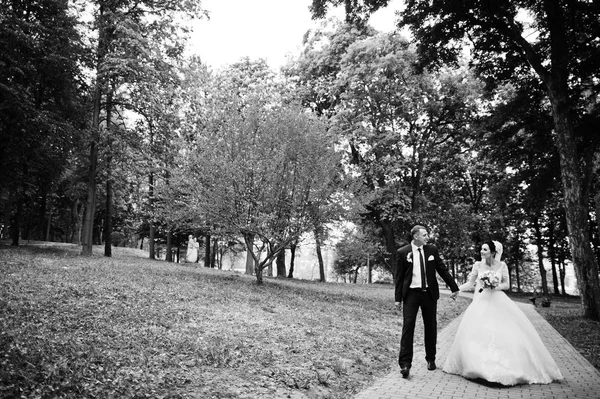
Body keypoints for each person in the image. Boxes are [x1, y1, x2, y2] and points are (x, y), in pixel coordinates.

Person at [442, 240, 563, 386]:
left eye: (485, 249)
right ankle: (477, 367)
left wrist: (494, 286)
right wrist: (457, 290)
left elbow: (506, 284)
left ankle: (501, 368)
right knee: (478, 333)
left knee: (501, 332)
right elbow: (470, 283)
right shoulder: (477, 265)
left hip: (497, 300)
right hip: (481, 302)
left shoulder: (502, 265)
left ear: (493, 252)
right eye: (481, 249)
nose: (481, 251)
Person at [395, 225, 460, 378]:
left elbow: (442, 269)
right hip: (411, 294)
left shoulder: (432, 250)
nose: (427, 237)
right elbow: (398, 278)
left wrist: (454, 287)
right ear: (416, 236)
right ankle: (405, 364)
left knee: (430, 326)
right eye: (424, 235)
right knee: (408, 326)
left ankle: (431, 358)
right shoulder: (403, 252)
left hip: (429, 294)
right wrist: (398, 299)